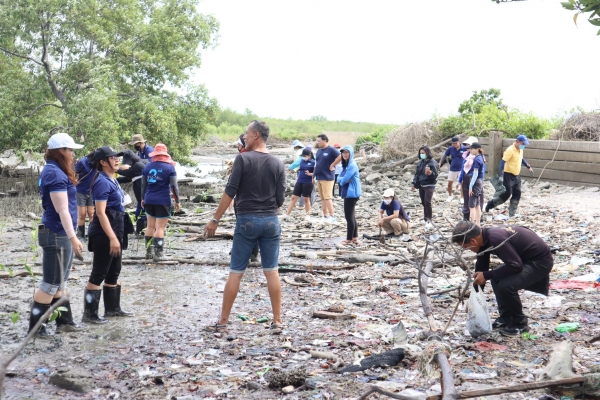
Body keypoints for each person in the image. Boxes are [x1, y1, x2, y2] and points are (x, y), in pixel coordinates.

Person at [204, 120, 286, 332]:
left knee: (236, 272)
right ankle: (277, 321)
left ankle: (223, 322)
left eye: (247, 134)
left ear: (256, 135)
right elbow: (280, 198)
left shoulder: (243, 159)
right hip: (271, 221)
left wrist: (215, 219)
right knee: (272, 271)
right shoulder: (278, 163)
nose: (245, 137)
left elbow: (230, 190)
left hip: (247, 221)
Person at [452, 221, 553, 336]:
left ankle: (520, 324)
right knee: (496, 278)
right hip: (523, 260)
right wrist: (473, 300)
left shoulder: (495, 238)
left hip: (540, 262)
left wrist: (487, 275)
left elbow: (515, 266)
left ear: (473, 241)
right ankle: (506, 318)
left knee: (506, 286)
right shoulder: (483, 238)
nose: (468, 250)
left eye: (466, 247)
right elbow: (481, 269)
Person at [29, 133, 86, 336]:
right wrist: (73, 236)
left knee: (59, 281)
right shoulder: (54, 173)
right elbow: (62, 209)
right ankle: (36, 328)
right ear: (60, 151)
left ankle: (65, 322)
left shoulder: (55, 170)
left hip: (59, 232)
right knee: (50, 283)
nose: (72, 154)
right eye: (70, 150)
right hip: (56, 233)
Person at [83, 146, 134, 324]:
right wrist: (112, 237)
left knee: (114, 271)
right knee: (99, 272)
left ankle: (112, 309)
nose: (117, 160)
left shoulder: (112, 179)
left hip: (116, 228)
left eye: (117, 157)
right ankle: (89, 314)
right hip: (104, 232)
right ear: (103, 162)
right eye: (112, 158)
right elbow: (100, 212)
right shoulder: (102, 182)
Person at [141, 143, 180, 261]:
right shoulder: (170, 168)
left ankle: (148, 253)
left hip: (149, 199)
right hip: (163, 200)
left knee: (150, 226)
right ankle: (158, 254)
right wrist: (177, 200)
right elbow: (174, 186)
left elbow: (143, 185)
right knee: (160, 228)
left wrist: (143, 198)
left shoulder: (147, 167)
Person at [484, 135, 533, 217]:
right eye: (523, 143)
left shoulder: (520, 149)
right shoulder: (510, 150)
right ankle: (490, 204)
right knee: (507, 193)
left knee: (517, 192)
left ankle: (512, 214)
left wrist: (528, 166)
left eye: (524, 144)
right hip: (508, 175)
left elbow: (521, 159)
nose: (523, 145)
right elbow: (502, 162)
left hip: (516, 175)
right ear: (517, 141)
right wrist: (501, 175)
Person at [117, 150, 147, 235]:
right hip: (141, 196)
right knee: (140, 213)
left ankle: (141, 232)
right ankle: (140, 231)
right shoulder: (138, 165)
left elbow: (127, 173)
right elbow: (128, 178)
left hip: (143, 195)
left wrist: (116, 169)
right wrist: (116, 180)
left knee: (141, 213)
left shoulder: (138, 165)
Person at [337, 145, 362, 245]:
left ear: (351, 153)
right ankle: (355, 237)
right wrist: (342, 179)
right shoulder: (345, 165)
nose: (345, 154)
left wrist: (342, 180)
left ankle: (349, 239)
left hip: (351, 193)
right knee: (352, 216)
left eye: (346, 152)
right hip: (348, 192)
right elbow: (339, 178)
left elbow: (342, 182)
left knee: (349, 217)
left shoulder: (351, 165)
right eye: (343, 153)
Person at [314, 134, 341, 223]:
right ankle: (325, 215)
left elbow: (340, 156)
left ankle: (332, 216)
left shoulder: (331, 150)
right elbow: (317, 164)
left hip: (327, 177)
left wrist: (333, 165)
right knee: (322, 198)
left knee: (327, 197)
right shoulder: (319, 151)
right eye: (317, 141)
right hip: (319, 177)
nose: (318, 142)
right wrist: (313, 176)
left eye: (319, 141)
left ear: (325, 140)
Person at [460, 142, 486, 226]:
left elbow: (475, 174)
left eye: (472, 149)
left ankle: (471, 225)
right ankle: (477, 224)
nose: (470, 150)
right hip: (478, 182)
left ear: (477, 149)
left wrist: (470, 186)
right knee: (477, 204)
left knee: (471, 206)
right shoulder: (480, 157)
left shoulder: (477, 159)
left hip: (475, 182)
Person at [411, 145, 438, 224]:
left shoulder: (433, 162)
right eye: (421, 153)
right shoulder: (420, 162)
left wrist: (430, 173)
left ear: (427, 153)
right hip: (421, 184)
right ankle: (425, 218)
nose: (422, 154)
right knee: (423, 202)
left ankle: (429, 220)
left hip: (429, 184)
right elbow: (417, 174)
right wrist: (413, 183)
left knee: (427, 202)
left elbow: (435, 175)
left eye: (423, 153)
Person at [285, 147, 315, 218]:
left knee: (306, 198)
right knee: (293, 197)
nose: (303, 157)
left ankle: (308, 215)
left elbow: (317, 172)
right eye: (303, 156)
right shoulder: (301, 160)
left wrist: (310, 174)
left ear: (309, 155)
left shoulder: (314, 162)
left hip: (308, 182)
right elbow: (295, 164)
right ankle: (287, 214)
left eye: (304, 156)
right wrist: (290, 168)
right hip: (300, 181)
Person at [74, 151, 97, 240]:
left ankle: (92, 234)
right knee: (82, 214)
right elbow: (74, 172)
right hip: (81, 191)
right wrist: (74, 181)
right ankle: (81, 235)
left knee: (91, 213)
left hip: (91, 191)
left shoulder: (100, 163)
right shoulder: (82, 162)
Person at [439, 136, 467, 202]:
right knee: (449, 183)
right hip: (453, 168)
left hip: (462, 168)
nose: (454, 144)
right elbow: (445, 155)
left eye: (456, 143)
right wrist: (440, 162)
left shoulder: (464, 148)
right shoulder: (451, 148)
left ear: (459, 142)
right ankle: (450, 195)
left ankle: (462, 197)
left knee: (462, 183)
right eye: (453, 143)